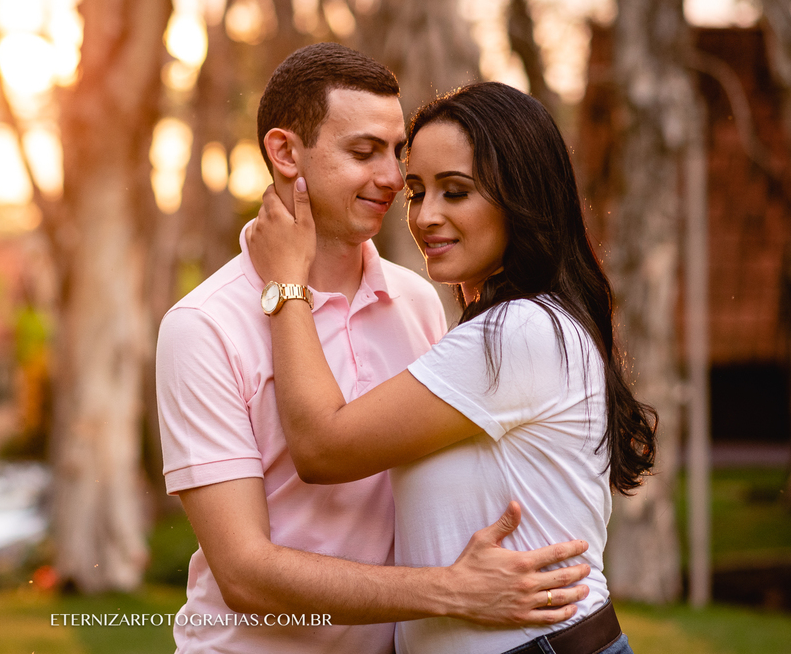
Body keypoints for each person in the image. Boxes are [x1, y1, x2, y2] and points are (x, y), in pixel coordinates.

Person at [156, 45, 592, 654]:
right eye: (363, 152)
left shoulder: (418, 300)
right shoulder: (203, 325)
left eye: (396, 154)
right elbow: (243, 573)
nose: (391, 179)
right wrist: (448, 591)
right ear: (285, 153)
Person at [246, 80, 658, 654]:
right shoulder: (508, 325)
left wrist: (286, 282)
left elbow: (320, 447)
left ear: (522, 197)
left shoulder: (516, 332)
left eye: (456, 191)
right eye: (416, 192)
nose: (426, 217)